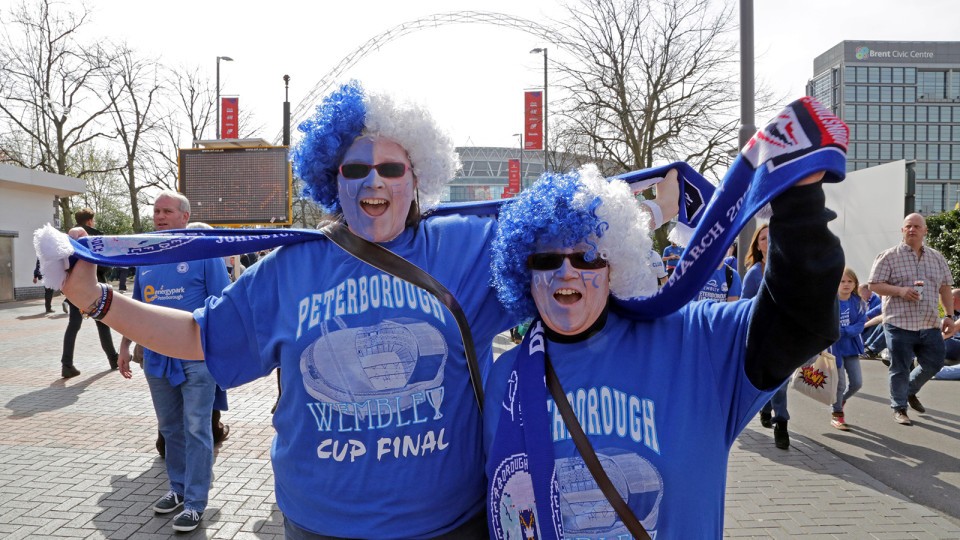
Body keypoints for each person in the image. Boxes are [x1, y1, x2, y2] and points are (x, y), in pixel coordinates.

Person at [54, 82, 684, 539]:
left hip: (447, 524)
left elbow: (567, 253)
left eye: (390, 167)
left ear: (417, 177)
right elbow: (198, 336)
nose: (373, 181)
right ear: (333, 179)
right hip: (319, 524)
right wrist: (98, 301)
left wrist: (651, 212)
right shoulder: (294, 266)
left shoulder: (465, 248)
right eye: (355, 168)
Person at [484, 164, 840, 539]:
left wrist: (799, 196)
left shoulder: (695, 341)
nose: (566, 272)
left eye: (587, 257)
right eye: (547, 260)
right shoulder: (507, 376)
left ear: (614, 265)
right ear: (525, 274)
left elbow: (800, 316)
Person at [115, 193, 232, 532]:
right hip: (156, 358)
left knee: (196, 428)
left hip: (196, 358)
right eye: (156, 211)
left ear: (185, 217)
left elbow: (223, 303)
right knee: (169, 428)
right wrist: (125, 345)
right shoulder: (148, 256)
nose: (160, 216)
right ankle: (177, 489)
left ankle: (195, 503)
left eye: (167, 211)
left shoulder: (204, 252)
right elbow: (136, 308)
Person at [868, 213, 958, 425]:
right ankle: (899, 408)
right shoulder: (888, 256)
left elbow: (945, 289)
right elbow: (874, 285)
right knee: (900, 367)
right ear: (902, 230)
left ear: (925, 231)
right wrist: (899, 291)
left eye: (917, 226)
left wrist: (949, 315)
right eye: (908, 226)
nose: (912, 229)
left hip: (929, 322)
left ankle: (908, 390)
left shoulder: (937, 258)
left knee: (935, 362)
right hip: (899, 323)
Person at [742, 223, 790, 449]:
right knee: (778, 383)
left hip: (787, 335)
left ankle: (769, 409)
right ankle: (781, 423)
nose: (769, 242)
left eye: (772, 237)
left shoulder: (790, 268)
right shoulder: (754, 274)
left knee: (781, 382)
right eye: (763, 239)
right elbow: (744, 307)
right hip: (765, 336)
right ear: (758, 245)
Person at [59, 208, 119, 378]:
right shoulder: (96, 238)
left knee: (73, 326)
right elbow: (104, 265)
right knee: (103, 323)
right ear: (90, 221)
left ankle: (66, 364)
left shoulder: (68, 239)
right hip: (95, 287)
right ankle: (113, 359)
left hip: (74, 289)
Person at [830, 268, 867, 430]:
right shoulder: (830, 301)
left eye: (849, 281)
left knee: (857, 383)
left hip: (851, 347)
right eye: (842, 281)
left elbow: (860, 324)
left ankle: (840, 401)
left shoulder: (859, 302)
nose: (846, 284)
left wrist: (843, 331)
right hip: (834, 348)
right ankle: (837, 414)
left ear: (855, 284)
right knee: (840, 383)